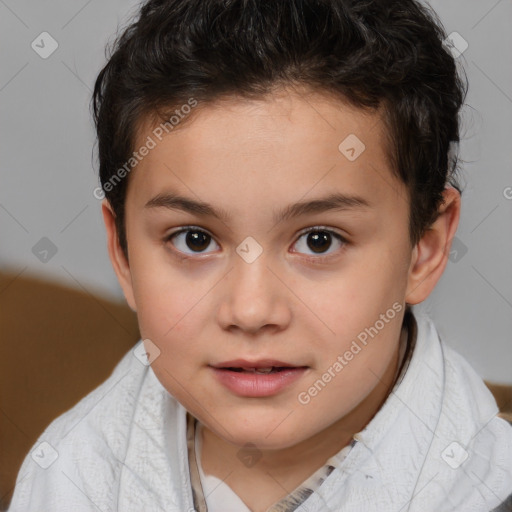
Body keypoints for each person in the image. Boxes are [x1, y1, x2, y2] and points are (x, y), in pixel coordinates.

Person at [8, 0, 512, 510]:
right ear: (123, 252)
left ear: (424, 248)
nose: (250, 311)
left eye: (319, 240)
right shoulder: (64, 475)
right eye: (195, 240)